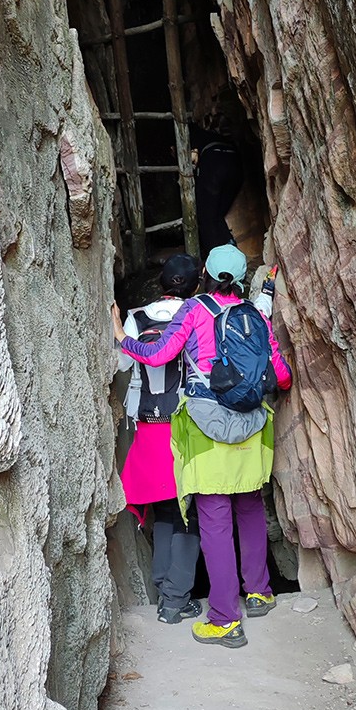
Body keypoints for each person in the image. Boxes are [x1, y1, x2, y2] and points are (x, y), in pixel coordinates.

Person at [111, 244, 292, 648]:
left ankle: (225, 618)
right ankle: (259, 593)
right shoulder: (256, 315)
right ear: (240, 279)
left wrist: (125, 338)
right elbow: (281, 375)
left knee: (213, 520)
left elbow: (158, 355)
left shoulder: (195, 311)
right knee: (249, 509)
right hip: (253, 427)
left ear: (206, 274)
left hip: (209, 427)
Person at [117, 253, 203, 624]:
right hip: (186, 427)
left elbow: (120, 363)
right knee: (190, 514)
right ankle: (175, 600)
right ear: (196, 285)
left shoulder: (136, 318)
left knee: (165, 508)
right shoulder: (198, 314)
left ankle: (162, 585)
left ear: (162, 283)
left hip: (148, 426)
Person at [190, 120, 243, 252]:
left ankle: (214, 257)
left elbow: (192, 158)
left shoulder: (191, 135)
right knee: (218, 214)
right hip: (236, 163)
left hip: (213, 163)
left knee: (206, 216)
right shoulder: (211, 135)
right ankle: (230, 248)